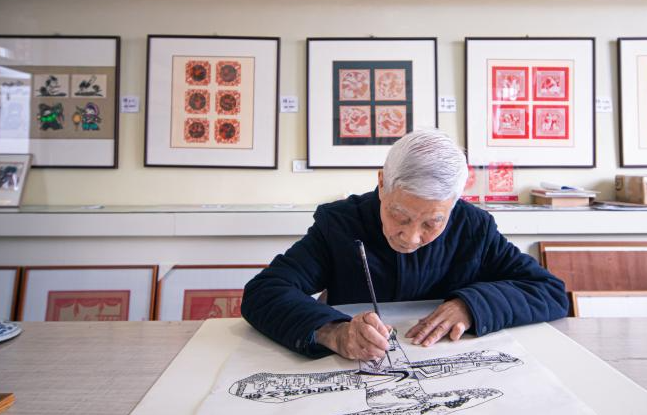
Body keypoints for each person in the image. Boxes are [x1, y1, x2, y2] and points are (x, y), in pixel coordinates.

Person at [241, 129, 568, 360]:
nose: (411, 237)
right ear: (382, 183)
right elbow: (264, 292)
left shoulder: (473, 227)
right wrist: (333, 332)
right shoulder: (340, 224)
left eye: (432, 222)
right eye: (399, 215)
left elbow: (549, 291)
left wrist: (471, 306)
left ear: (454, 203)